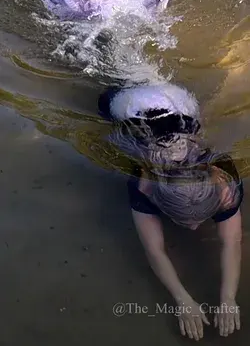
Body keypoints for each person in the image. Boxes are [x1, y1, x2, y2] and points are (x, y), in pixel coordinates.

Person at [98, 83, 243, 341]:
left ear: (218, 197)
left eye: (199, 219)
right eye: (182, 221)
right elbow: (154, 251)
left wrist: (228, 298)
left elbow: (232, 243)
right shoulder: (144, 187)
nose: (194, 227)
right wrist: (182, 299)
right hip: (131, 107)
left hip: (183, 106)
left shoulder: (223, 188)